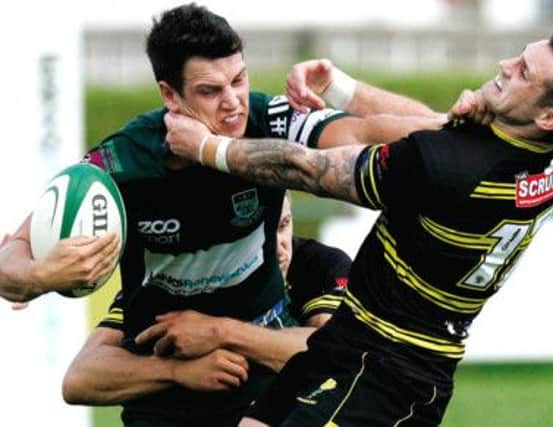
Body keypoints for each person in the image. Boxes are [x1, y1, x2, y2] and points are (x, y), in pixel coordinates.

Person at [163, 22, 553, 426]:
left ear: (548, 117)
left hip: (387, 372)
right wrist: (340, 88)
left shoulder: (449, 168)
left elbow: (310, 171)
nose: (505, 65)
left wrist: (207, 148)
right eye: (518, 56)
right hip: (352, 342)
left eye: (523, 71)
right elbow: (433, 134)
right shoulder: (552, 156)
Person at [48, 4, 456, 427]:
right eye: (211, 91)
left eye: (239, 81)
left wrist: (345, 88)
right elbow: (75, 375)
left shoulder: (274, 126)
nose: (233, 103)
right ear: (170, 95)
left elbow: (386, 134)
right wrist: (37, 278)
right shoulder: (124, 166)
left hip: (261, 401)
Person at [63, 191, 351, 420]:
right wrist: (177, 372)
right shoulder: (179, 275)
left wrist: (219, 332)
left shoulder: (318, 264)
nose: (277, 245)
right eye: (259, 233)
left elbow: (335, 353)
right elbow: (79, 379)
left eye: (283, 225)